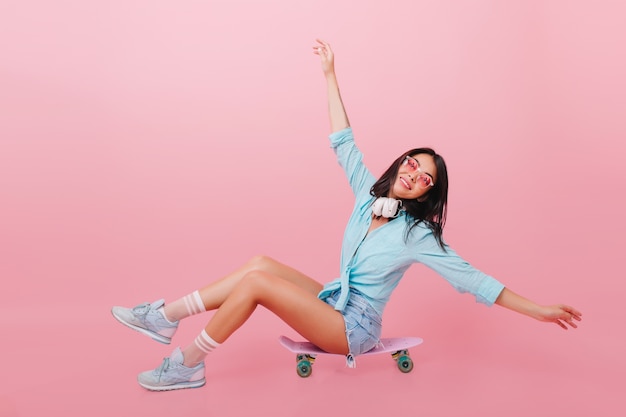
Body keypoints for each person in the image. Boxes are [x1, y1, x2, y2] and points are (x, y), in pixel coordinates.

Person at [111, 39, 582, 391]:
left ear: (428, 193)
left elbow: (475, 280)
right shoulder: (367, 196)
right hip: (333, 300)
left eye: (426, 177)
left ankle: (188, 363)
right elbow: (344, 143)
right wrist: (330, 75)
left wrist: (538, 310)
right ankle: (164, 316)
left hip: (352, 327)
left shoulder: (417, 234)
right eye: (412, 164)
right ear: (400, 165)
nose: (415, 174)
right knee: (259, 264)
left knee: (256, 285)